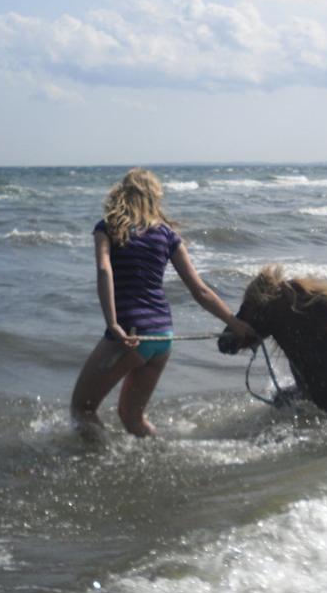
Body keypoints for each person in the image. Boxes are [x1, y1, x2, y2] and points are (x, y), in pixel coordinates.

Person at [71, 168, 256, 437]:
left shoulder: (108, 227)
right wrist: (234, 323)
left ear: (123, 193)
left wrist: (113, 324)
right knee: (132, 417)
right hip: (162, 338)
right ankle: (162, 454)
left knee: (83, 410)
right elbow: (200, 290)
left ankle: (108, 467)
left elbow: (104, 270)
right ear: (153, 197)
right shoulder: (167, 235)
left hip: (131, 335)